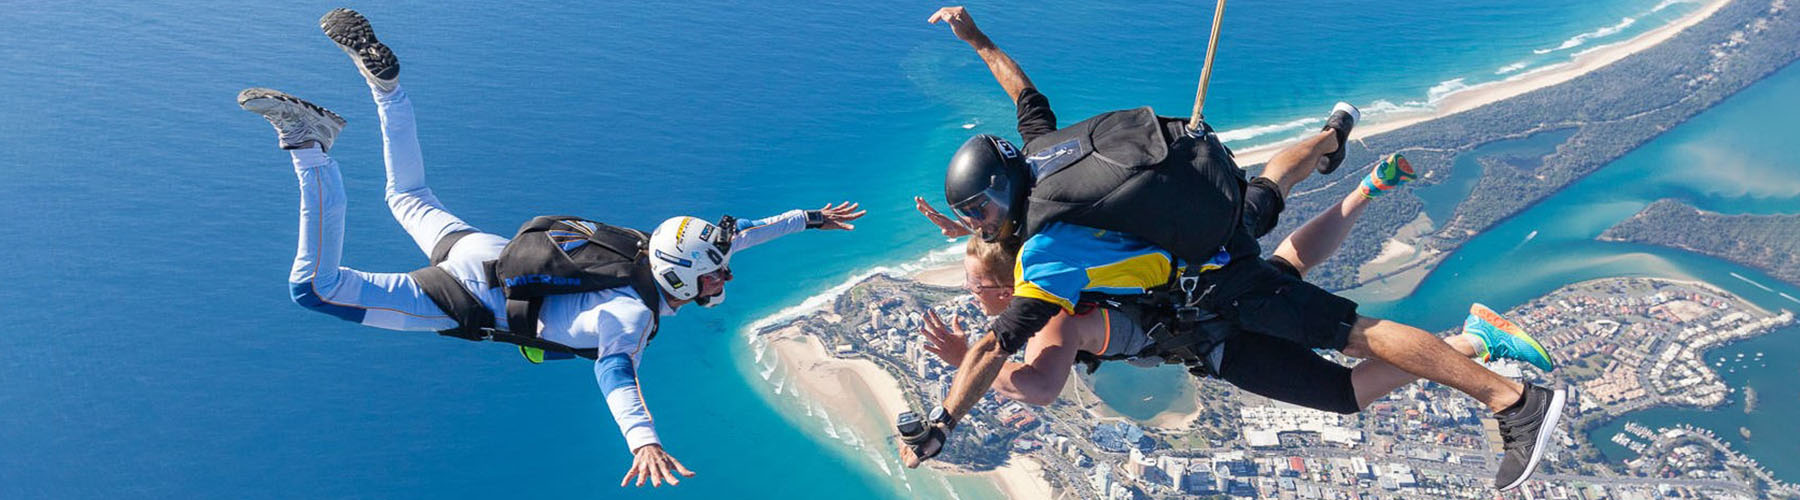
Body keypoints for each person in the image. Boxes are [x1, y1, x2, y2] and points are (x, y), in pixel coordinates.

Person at [901, 6, 1565, 491]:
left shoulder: (1046, 259)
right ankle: (1332, 138)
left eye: (984, 213)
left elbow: (1006, 352)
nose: (987, 225)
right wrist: (976, 37)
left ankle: (1514, 400)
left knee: (1352, 338)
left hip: (1217, 280)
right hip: (1209, 215)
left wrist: (944, 421)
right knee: (1272, 186)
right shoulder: (1045, 154)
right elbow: (1024, 93)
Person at [237, 9, 865, 488]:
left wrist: (808, 218)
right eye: (712, 281)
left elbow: (738, 234)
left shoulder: (651, 245)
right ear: (677, 278)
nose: (721, 285)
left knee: (409, 195)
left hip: (495, 251)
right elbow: (615, 373)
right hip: (470, 292)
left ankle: (387, 91)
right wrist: (642, 441)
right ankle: (307, 146)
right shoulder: (631, 317)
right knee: (316, 289)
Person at [916, 153, 1554, 416]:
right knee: (1275, 227)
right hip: (1211, 262)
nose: (977, 302)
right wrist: (972, 231)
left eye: (980, 292)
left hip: (1219, 333)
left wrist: (963, 366)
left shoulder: (1055, 315)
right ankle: (1366, 182)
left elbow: (1038, 386)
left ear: (1010, 289)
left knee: (1344, 384)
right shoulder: (1068, 242)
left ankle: (1472, 346)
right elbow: (1011, 242)